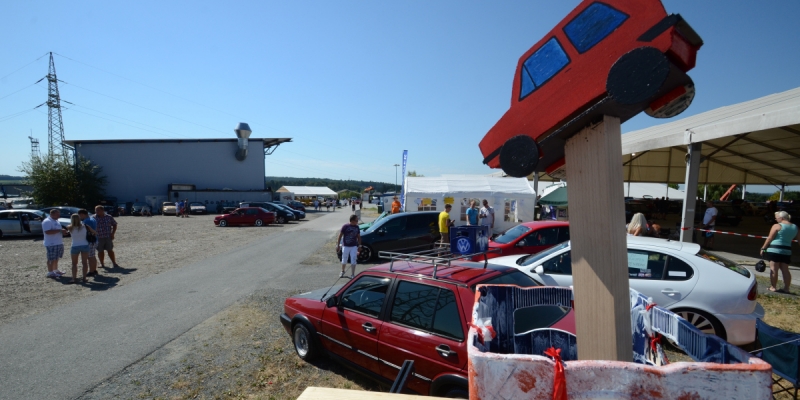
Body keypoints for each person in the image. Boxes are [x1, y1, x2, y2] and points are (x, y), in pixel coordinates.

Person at [761, 211, 798, 294]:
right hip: (787, 250)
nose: (776, 219)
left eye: (776, 218)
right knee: (785, 270)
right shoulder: (795, 227)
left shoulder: (777, 226)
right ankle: (786, 288)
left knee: (774, 268)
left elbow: (770, 238)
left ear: (781, 218)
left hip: (775, 249)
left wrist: (763, 248)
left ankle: (773, 287)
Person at [67, 214, 96, 284]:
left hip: (75, 245)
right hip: (85, 245)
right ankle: (84, 278)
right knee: (84, 263)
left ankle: (74, 278)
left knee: (74, 264)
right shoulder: (85, 226)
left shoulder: (69, 227)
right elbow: (95, 232)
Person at [42, 209, 68, 279]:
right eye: (57, 214)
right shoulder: (47, 221)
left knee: (56, 257)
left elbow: (57, 231)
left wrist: (62, 232)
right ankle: (50, 272)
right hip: (51, 243)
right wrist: (60, 230)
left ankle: (55, 270)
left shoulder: (56, 221)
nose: (59, 215)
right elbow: (47, 232)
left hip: (58, 242)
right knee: (51, 258)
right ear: (52, 214)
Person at [336, 215, 362, 279]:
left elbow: (358, 237)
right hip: (346, 246)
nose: (357, 222)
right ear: (352, 221)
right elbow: (340, 235)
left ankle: (352, 274)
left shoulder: (357, 227)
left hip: (354, 246)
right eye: (356, 220)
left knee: (353, 259)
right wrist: (338, 245)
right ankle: (342, 271)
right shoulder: (345, 226)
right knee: (344, 259)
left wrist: (359, 245)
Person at [78, 209, 100, 277]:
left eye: (79, 215)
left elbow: (86, 231)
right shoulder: (92, 219)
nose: (79, 217)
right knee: (92, 255)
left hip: (90, 240)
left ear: (82, 214)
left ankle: (91, 271)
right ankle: (94, 269)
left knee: (90, 257)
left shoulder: (86, 221)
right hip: (94, 239)